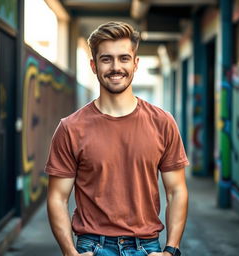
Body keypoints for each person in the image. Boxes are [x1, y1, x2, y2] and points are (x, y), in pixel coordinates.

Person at [45, 21, 189, 256]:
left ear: (136, 63)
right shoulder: (70, 128)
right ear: (94, 65)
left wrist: (171, 250)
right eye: (106, 59)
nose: (115, 67)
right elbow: (57, 197)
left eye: (123, 58)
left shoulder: (163, 122)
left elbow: (176, 191)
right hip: (92, 246)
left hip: (147, 246)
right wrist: (70, 253)